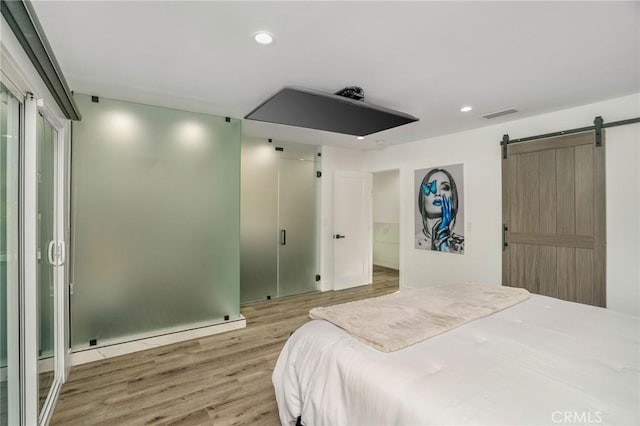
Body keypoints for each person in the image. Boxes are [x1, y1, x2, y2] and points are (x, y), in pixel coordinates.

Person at [416, 168, 464, 253]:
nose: (437, 193)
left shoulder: (464, 245)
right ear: (422, 198)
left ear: (453, 197)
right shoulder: (412, 242)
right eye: (431, 188)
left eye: (445, 188)